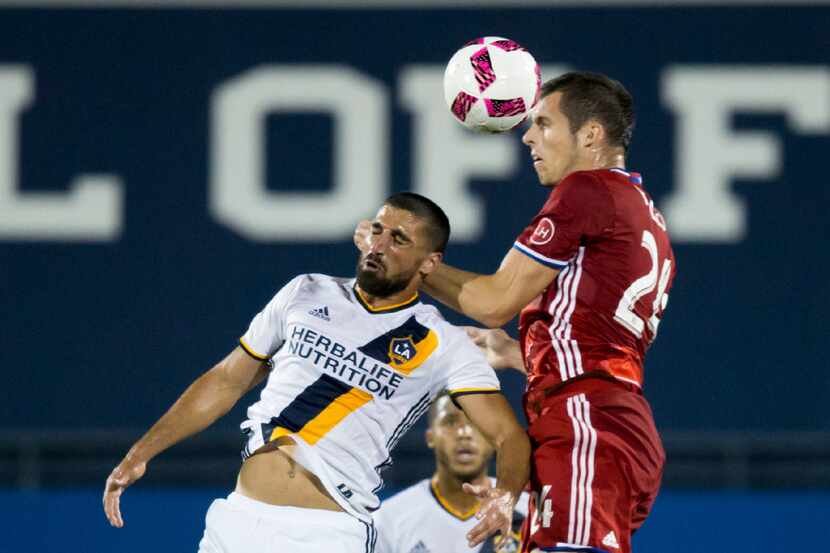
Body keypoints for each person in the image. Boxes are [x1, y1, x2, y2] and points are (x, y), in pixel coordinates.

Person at [102, 192, 531, 553]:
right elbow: (227, 379)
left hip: (327, 534)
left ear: (429, 264)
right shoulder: (306, 290)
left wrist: (505, 494)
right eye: (377, 230)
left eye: (399, 239)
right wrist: (141, 453)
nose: (379, 245)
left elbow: (509, 436)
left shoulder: (443, 342)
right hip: (239, 520)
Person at [356, 72, 675, 553]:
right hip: (605, 423)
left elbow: (493, 302)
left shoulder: (588, 190)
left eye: (543, 124)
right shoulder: (641, 208)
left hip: (585, 424)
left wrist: (400, 259)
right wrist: (521, 351)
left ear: (591, 134)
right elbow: (605, 345)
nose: (527, 136)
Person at [375, 392, 529, 553]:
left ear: (493, 439)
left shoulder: (528, 511)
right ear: (430, 437)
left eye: (476, 423)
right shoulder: (387, 521)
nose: (464, 433)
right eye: (450, 422)